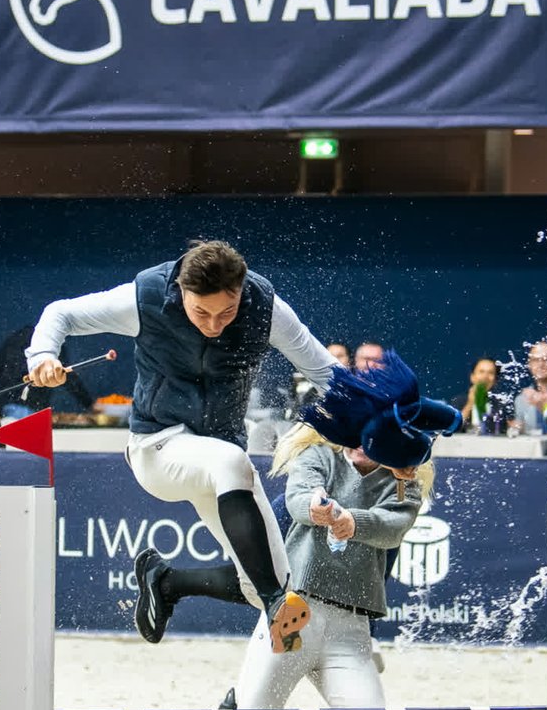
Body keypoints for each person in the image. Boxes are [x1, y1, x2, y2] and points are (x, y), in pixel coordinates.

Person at [145, 353, 458, 710]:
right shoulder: (320, 455)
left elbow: (391, 528)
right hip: (295, 612)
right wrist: (320, 508)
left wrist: (346, 518)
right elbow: (295, 501)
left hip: (352, 630)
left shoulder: (405, 480)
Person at [26, 239, 340, 655]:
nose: (214, 324)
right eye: (201, 312)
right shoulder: (147, 296)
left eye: (226, 312)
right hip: (159, 448)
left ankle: (168, 581)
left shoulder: (266, 308)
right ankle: (275, 603)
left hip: (221, 459)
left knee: (262, 578)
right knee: (234, 466)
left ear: (242, 291)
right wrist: (43, 356)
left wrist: (383, 422)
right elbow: (60, 313)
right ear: (180, 290)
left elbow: (327, 373)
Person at [0, 324, 97, 418]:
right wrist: (89, 403)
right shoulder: (51, 344)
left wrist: (8, 387)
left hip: (4, 405)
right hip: (29, 406)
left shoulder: (15, 338)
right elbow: (65, 374)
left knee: (11, 439)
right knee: (31, 439)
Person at [452, 356, 505, 431]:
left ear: (495, 380)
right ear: (472, 377)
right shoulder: (458, 402)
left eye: (490, 372)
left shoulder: (500, 405)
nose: (485, 376)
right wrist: (470, 404)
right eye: (481, 372)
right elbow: (452, 429)